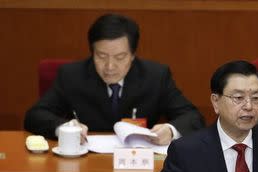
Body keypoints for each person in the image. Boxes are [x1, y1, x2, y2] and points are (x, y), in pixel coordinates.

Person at [24, 14, 204, 145]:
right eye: (101, 56)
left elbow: (193, 117)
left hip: (137, 163)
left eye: (119, 57)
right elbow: (34, 116)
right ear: (92, 52)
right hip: (87, 163)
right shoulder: (71, 76)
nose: (110, 66)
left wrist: (171, 131)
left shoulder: (156, 76)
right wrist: (64, 127)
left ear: (133, 55)